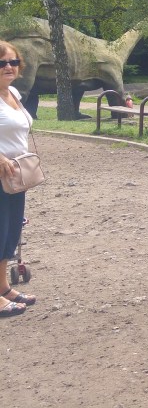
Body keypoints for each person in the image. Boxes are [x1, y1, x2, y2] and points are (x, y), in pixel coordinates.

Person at [0, 40, 36, 316]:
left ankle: (3, 288)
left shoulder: (13, 93)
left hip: (16, 175)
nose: (9, 67)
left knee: (10, 232)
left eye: (13, 62)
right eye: (2, 63)